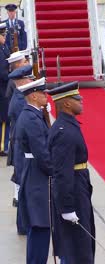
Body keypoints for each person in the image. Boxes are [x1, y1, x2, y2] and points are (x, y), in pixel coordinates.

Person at [47, 81, 95, 264]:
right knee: (76, 246)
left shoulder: (68, 125)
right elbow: (62, 173)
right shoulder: (64, 132)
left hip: (79, 184)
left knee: (80, 243)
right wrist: (67, 207)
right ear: (66, 103)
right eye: (77, 99)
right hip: (73, 189)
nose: (81, 101)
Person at [15, 77, 51, 263]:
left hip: (34, 172)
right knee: (40, 225)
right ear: (34, 96)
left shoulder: (32, 114)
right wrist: (55, 171)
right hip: (37, 176)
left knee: (39, 226)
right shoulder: (31, 118)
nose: (46, 96)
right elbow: (42, 153)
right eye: (43, 93)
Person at [7, 64, 34, 236]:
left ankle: (23, 224)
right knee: (25, 188)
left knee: (24, 187)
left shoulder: (19, 97)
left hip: (20, 147)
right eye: (30, 78)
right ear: (23, 80)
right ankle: (24, 225)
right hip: (22, 149)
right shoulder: (19, 100)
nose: (31, 81)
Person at [0, 22, 11, 156]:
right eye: (2, 35)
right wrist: (11, 77)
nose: (4, 37)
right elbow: (2, 72)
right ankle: (3, 146)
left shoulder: (3, 48)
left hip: (3, 88)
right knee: (4, 119)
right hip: (2, 89)